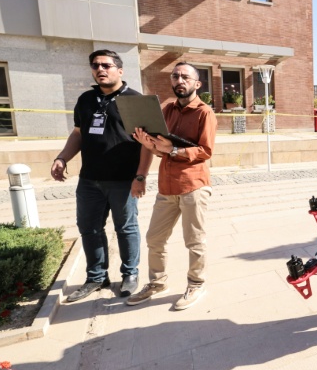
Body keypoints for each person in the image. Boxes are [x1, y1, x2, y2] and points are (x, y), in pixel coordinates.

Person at [52, 50, 152, 302]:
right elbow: (78, 134)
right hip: (89, 181)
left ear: (120, 70)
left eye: (106, 65)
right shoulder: (86, 99)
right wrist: (62, 157)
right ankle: (96, 277)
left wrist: (140, 176)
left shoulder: (135, 101)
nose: (100, 69)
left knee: (126, 228)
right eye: (95, 65)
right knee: (89, 228)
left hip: (123, 180)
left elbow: (147, 144)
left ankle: (130, 274)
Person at [126, 62, 217, 311]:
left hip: (193, 186)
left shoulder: (204, 112)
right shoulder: (166, 110)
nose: (179, 80)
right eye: (175, 76)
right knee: (154, 238)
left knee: (194, 241)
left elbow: (205, 151)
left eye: (185, 77)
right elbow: (158, 149)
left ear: (197, 84)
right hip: (166, 188)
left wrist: (173, 149)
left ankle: (196, 283)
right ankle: (157, 283)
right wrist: (148, 144)